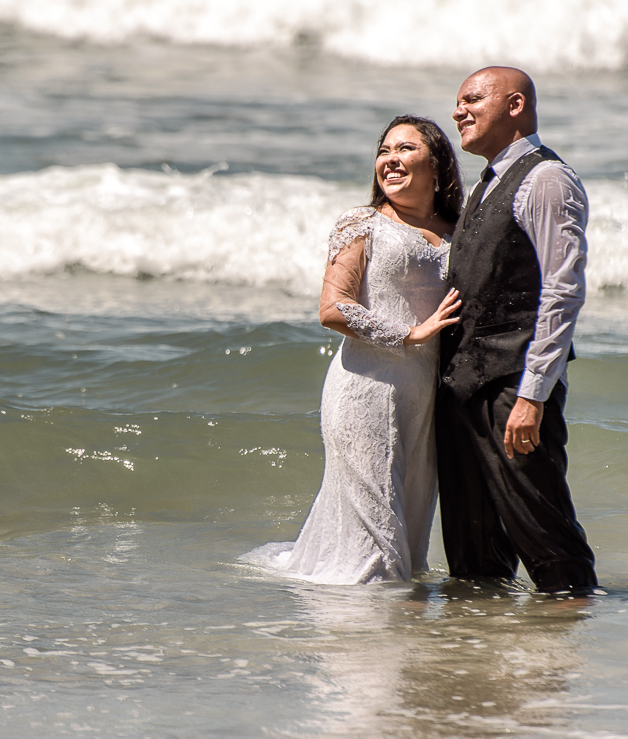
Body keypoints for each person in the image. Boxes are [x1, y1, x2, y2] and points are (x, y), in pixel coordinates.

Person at [251, 115, 463, 584]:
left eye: (406, 149)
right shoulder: (362, 223)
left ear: (438, 164)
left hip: (425, 399)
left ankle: (405, 644)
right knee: (376, 541)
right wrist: (410, 334)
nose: (390, 159)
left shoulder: (459, 231)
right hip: (364, 391)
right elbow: (332, 309)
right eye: (384, 150)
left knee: (408, 534)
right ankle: (360, 646)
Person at [437, 67, 597, 594]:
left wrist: (533, 395)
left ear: (515, 105)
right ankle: (480, 658)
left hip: (513, 387)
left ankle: (563, 657)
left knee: (549, 544)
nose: (458, 111)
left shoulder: (546, 178)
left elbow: (562, 289)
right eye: (457, 101)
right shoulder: (486, 183)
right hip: (464, 387)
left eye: (472, 99)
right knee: (473, 554)